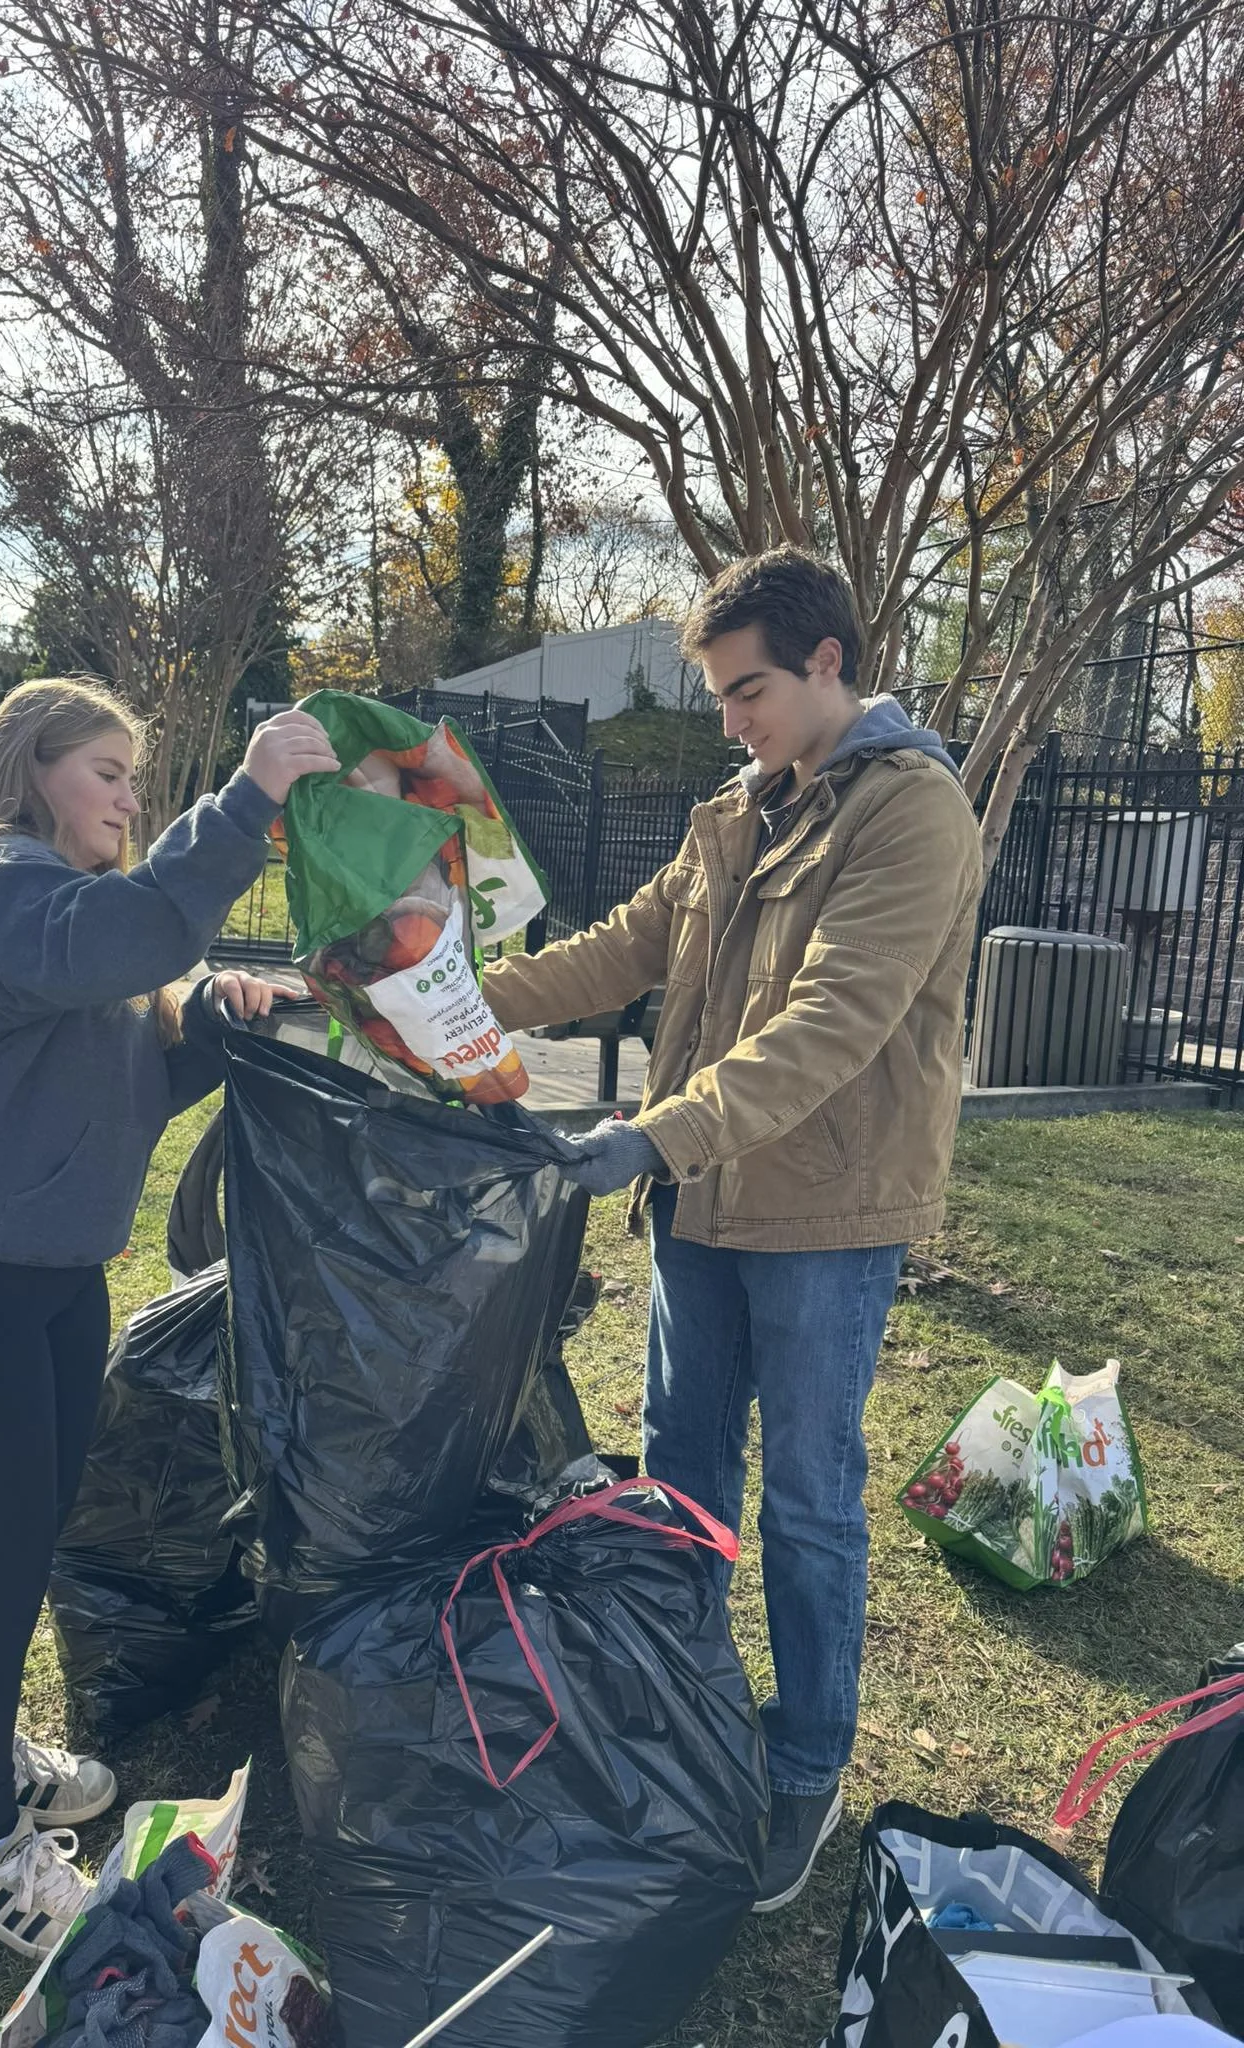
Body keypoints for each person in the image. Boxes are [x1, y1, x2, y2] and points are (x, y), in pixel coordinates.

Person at [483, 548, 983, 1912]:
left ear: (828, 660)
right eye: (717, 693)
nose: (728, 718)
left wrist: (650, 1136)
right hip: (700, 1204)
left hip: (824, 1212)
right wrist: (453, 1012)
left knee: (809, 1501)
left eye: (746, 687)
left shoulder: (913, 811)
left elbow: (832, 1024)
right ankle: (688, 1708)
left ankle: (805, 1766)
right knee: (682, 1472)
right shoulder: (733, 810)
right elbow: (620, 951)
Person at [0, 678, 337, 1959]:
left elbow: (128, 1090)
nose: (131, 795)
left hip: (51, 1280)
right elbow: (128, 938)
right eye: (108, 770)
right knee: (3, 1556)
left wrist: (218, 1034)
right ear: (33, 768)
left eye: (139, 776)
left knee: (25, 1536)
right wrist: (247, 800)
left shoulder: (58, 920)